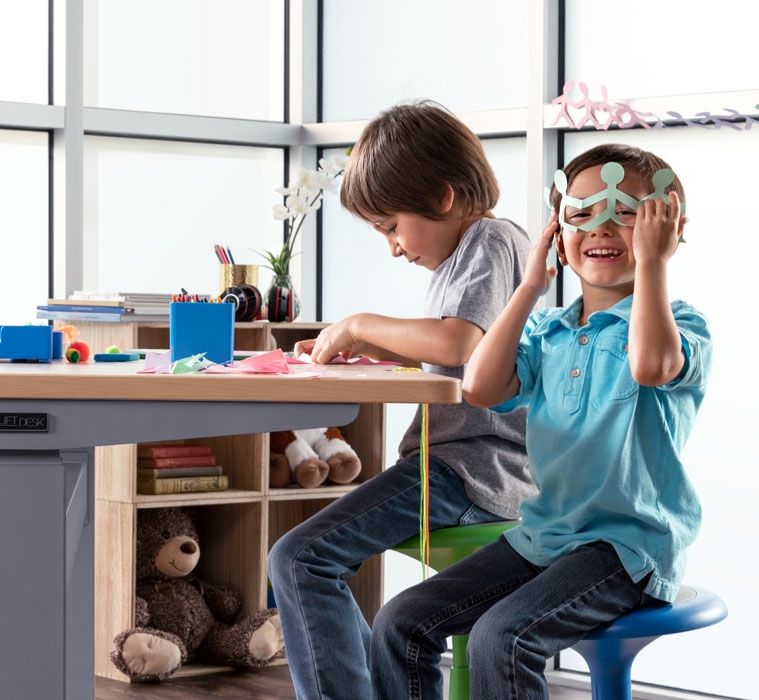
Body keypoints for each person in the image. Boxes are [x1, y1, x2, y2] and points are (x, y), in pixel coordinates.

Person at [369, 143, 712, 699]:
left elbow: (650, 365)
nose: (602, 227)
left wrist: (652, 263)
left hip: (626, 550)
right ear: (558, 233)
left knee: (501, 638)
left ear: (665, 228)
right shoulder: (547, 331)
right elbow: (479, 385)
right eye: (581, 214)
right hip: (543, 537)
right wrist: (529, 286)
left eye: (626, 213)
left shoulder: (681, 324)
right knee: (400, 622)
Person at [266, 100, 535, 700]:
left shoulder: (490, 240)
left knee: (299, 560)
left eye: (390, 226)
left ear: (441, 197)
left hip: (472, 472)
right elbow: (452, 350)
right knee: (305, 561)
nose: (393, 247)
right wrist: (369, 352)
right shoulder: (469, 253)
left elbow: (458, 341)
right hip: (461, 468)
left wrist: (360, 325)